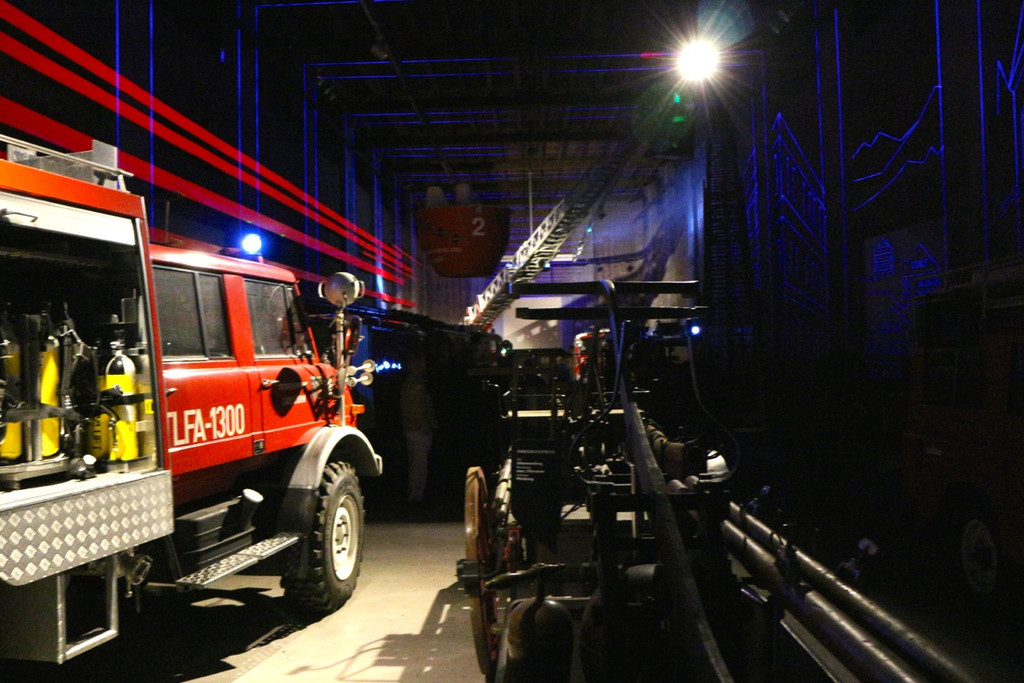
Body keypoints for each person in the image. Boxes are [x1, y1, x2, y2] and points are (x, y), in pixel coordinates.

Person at [400, 354, 437, 509]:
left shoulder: (410, 385)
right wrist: (427, 425)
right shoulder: (415, 386)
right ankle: (416, 497)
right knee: (419, 465)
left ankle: (416, 494)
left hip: (414, 428)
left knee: (417, 463)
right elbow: (418, 409)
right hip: (418, 429)